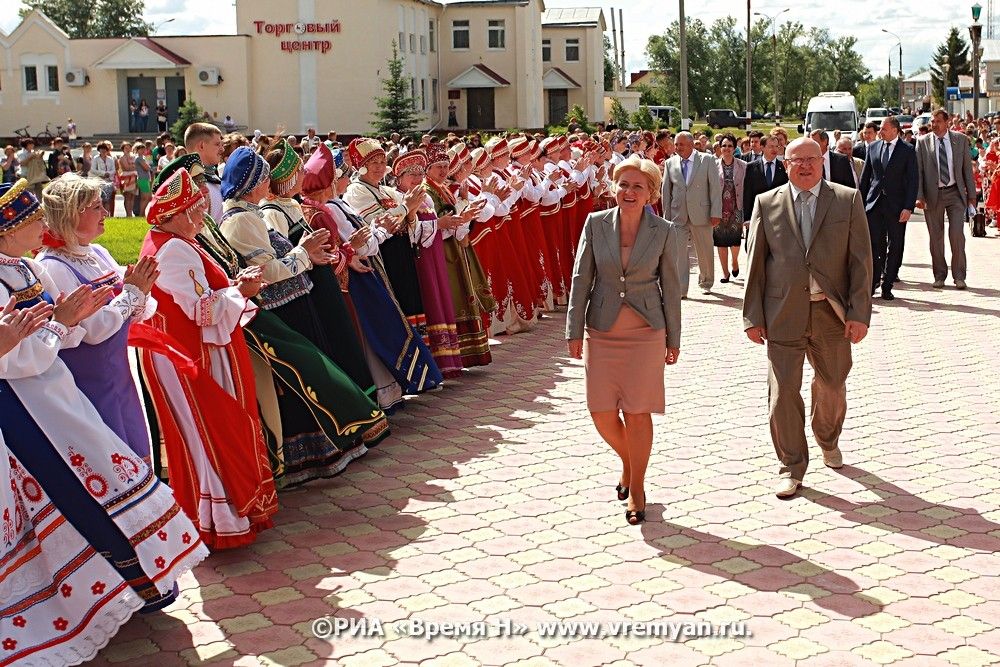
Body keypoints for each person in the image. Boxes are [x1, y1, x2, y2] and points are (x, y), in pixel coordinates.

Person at [0, 179, 209, 628]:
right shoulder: (43, 269)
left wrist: (125, 299)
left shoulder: (37, 269)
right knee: (92, 485)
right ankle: (114, 587)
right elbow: (55, 343)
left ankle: (147, 581)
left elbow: (89, 326)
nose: (104, 214)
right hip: (51, 400)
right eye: (94, 206)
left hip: (92, 383)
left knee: (129, 465)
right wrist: (113, 302)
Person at [138, 168, 279, 548]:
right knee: (211, 432)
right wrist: (242, 291)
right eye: (198, 209)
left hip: (192, 351)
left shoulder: (174, 241)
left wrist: (234, 289)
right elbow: (201, 310)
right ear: (180, 213)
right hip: (191, 356)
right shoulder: (174, 249)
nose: (203, 215)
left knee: (211, 433)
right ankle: (220, 520)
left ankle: (225, 516)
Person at [742, 138, 873, 498]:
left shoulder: (846, 199)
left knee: (832, 384)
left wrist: (859, 313)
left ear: (822, 161)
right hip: (782, 312)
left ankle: (827, 437)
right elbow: (755, 264)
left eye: (811, 159)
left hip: (831, 313)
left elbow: (861, 261)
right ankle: (791, 465)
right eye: (796, 160)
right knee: (782, 393)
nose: (804, 166)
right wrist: (752, 315)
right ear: (785, 165)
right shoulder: (766, 203)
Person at [566, 155, 684, 525]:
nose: (629, 192)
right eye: (623, 184)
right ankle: (629, 464)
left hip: (647, 332)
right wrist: (573, 329)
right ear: (613, 188)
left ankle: (637, 488)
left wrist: (673, 338)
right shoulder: (595, 224)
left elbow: (672, 286)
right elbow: (581, 279)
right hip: (601, 331)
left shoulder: (664, 230)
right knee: (601, 412)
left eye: (637, 186)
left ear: (651, 193)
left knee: (637, 411)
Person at [36, 174, 159, 461]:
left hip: (119, 375)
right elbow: (94, 329)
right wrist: (132, 294)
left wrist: (140, 292)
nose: (105, 212)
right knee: (109, 461)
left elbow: (136, 311)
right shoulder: (53, 267)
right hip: (89, 383)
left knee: (136, 452)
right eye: (96, 206)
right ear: (71, 214)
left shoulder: (98, 253)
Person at [914, 108, 976, 289]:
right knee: (936, 237)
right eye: (932, 122)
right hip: (933, 195)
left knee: (956, 235)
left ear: (947, 122)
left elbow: (966, 170)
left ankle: (959, 276)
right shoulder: (923, 142)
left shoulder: (960, 140)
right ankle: (939, 275)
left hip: (955, 193)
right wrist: (919, 196)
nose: (933, 125)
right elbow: (919, 172)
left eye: (937, 121)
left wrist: (972, 196)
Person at [859, 115, 918, 301]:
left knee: (895, 245)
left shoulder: (907, 150)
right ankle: (875, 280)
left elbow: (913, 181)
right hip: (874, 204)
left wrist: (908, 207)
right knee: (875, 244)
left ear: (894, 130)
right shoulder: (874, 147)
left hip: (897, 206)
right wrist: (860, 203)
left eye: (884, 129)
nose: (880, 132)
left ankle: (888, 283)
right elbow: (866, 177)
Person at [661, 131, 722, 296]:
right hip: (677, 215)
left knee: (705, 251)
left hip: (702, 214)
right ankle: (681, 289)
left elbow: (715, 188)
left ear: (690, 144)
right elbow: (666, 191)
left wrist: (716, 212)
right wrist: (667, 218)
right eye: (676, 144)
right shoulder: (670, 163)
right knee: (679, 254)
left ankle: (706, 282)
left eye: (681, 144)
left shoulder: (707, 160)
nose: (677, 147)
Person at [714, 133, 746, 283]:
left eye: (730, 146)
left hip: (736, 207)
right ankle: (725, 272)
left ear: (734, 148)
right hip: (718, 208)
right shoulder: (712, 165)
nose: (727, 148)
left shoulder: (743, 166)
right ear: (720, 148)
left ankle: (734, 261)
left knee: (734, 240)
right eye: (724, 146)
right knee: (720, 241)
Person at [184, 122, 226, 221]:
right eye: (217, 144)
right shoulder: (187, 183)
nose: (222, 149)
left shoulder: (213, 177)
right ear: (201, 146)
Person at [116, 141, 138, 219]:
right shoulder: (122, 157)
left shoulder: (133, 156)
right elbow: (127, 168)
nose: (128, 149)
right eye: (126, 148)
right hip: (127, 178)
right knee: (127, 196)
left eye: (129, 148)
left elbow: (136, 166)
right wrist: (133, 166)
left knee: (132, 196)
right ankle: (127, 213)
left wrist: (133, 166)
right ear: (123, 149)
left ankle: (130, 212)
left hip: (134, 177)